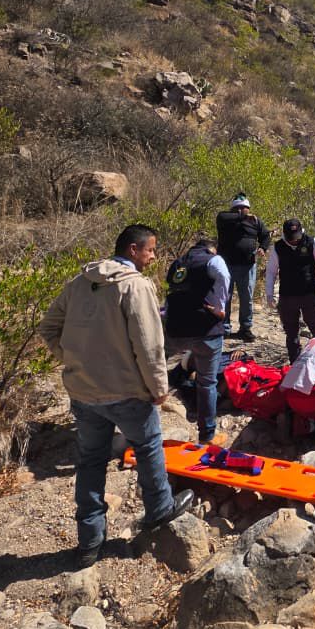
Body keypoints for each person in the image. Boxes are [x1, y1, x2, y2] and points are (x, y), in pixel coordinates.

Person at [39, 224, 194, 567]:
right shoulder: (135, 287)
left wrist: (75, 360)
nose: (154, 256)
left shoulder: (80, 282)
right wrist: (158, 389)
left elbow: (48, 327)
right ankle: (160, 510)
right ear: (134, 250)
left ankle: (89, 542)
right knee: (149, 446)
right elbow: (150, 345)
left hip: (83, 390)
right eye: (151, 250)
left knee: (91, 460)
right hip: (126, 392)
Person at [164, 236, 230, 445]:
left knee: (151, 372)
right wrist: (220, 307)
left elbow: (171, 292)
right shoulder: (213, 259)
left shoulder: (178, 263)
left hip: (175, 331)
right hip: (206, 330)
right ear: (213, 248)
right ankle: (207, 435)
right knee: (207, 382)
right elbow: (224, 275)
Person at [265, 218, 315, 361]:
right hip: (287, 296)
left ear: (301, 232)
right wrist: (269, 294)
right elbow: (271, 271)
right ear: (284, 234)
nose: (294, 241)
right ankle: (295, 362)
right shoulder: (278, 247)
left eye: (296, 237)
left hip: (308, 293)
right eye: (291, 238)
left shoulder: (312, 242)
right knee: (291, 332)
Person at [216, 194, 270, 343]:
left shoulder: (255, 221)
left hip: (247, 265)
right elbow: (223, 217)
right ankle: (224, 328)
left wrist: (263, 247)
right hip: (225, 265)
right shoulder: (225, 218)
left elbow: (265, 235)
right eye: (238, 208)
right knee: (224, 297)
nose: (241, 210)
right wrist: (242, 216)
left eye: (244, 208)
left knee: (246, 298)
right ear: (233, 209)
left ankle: (245, 328)